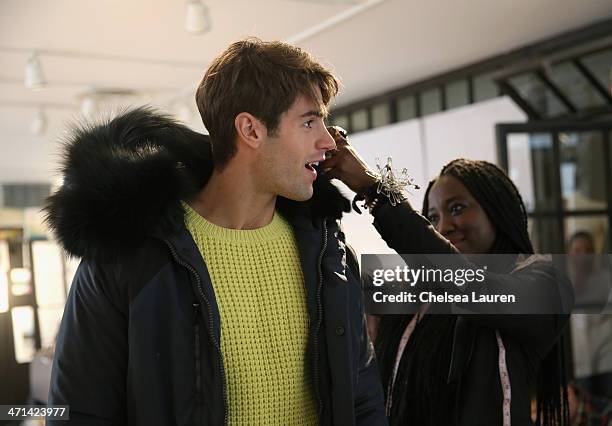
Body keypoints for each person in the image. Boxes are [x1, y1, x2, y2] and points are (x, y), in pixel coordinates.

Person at [45, 38, 386, 425]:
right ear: (251, 130)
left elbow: (362, 400)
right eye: (309, 122)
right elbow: (78, 413)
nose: (329, 141)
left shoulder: (330, 253)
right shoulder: (129, 258)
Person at [321, 133, 573, 425]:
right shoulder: (414, 296)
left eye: (457, 209)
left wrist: (374, 189)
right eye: (433, 217)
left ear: (497, 210)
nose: (445, 226)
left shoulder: (545, 283)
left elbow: (471, 286)